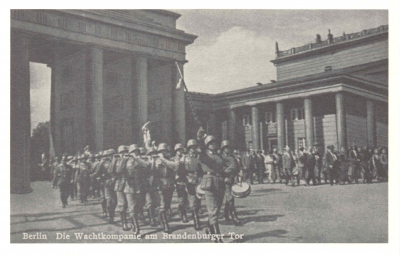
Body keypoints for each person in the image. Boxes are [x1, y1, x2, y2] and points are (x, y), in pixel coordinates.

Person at [196, 128, 226, 243]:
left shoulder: (218, 156)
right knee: (213, 210)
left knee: (217, 209)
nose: (213, 145)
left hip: (220, 182)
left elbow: (224, 166)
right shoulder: (203, 155)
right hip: (209, 183)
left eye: (214, 143)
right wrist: (200, 138)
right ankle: (217, 238)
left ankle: (210, 229)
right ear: (206, 145)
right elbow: (201, 148)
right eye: (210, 143)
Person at [122, 144, 150, 235]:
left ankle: (134, 221)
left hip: (140, 186)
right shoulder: (126, 161)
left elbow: (146, 165)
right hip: (129, 187)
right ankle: (136, 226)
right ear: (130, 152)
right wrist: (123, 160)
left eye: (137, 151)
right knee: (132, 208)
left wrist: (137, 158)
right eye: (133, 152)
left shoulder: (142, 159)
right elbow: (119, 170)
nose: (135, 153)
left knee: (139, 206)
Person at [154, 143, 176, 233]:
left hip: (169, 184)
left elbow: (173, 166)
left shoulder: (170, 160)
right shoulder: (155, 160)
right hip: (160, 184)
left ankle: (160, 219)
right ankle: (166, 225)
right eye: (162, 151)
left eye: (165, 151)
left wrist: (163, 159)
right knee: (162, 205)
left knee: (167, 205)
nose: (164, 152)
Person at [182, 139, 203, 230]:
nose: (194, 149)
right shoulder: (184, 158)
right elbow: (181, 171)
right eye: (192, 147)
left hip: (198, 180)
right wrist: (186, 180)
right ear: (189, 148)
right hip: (189, 180)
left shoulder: (199, 157)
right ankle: (196, 222)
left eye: (195, 147)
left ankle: (197, 216)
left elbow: (202, 169)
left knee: (198, 200)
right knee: (192, 201)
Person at [220, 140, 242, 226]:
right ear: (223, 148)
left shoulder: (233, 157)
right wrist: (226, 172)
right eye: (226, 147)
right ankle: (234, 216)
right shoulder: (220, 157)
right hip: (224, 180)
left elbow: (236, 167)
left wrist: (237, 174)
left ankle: (225, 214)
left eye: (228, 147)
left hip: (231, 179)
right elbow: (219, 168)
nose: (227, 149)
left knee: (228, 198)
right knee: (230, 198)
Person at [113, 145, 130, 231]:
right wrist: (123, 160)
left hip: (130, 184)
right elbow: (118, 171)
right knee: (122, 204)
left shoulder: (131, 160)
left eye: (125, 152)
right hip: (120, 184)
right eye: (121, 153)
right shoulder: (117, 161)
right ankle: (124, 223)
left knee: (132, 204)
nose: (123, 154)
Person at [173, 143, 189, 223]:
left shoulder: (186, 158)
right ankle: (183, 215)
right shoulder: (174, 159)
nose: (180, 151)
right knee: (181, 198)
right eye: (178, 150)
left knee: (186, 198)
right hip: (178, 180)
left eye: (181, 150)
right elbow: (175, 169)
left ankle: (181, 209)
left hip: (186, 179)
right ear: (176, 151)